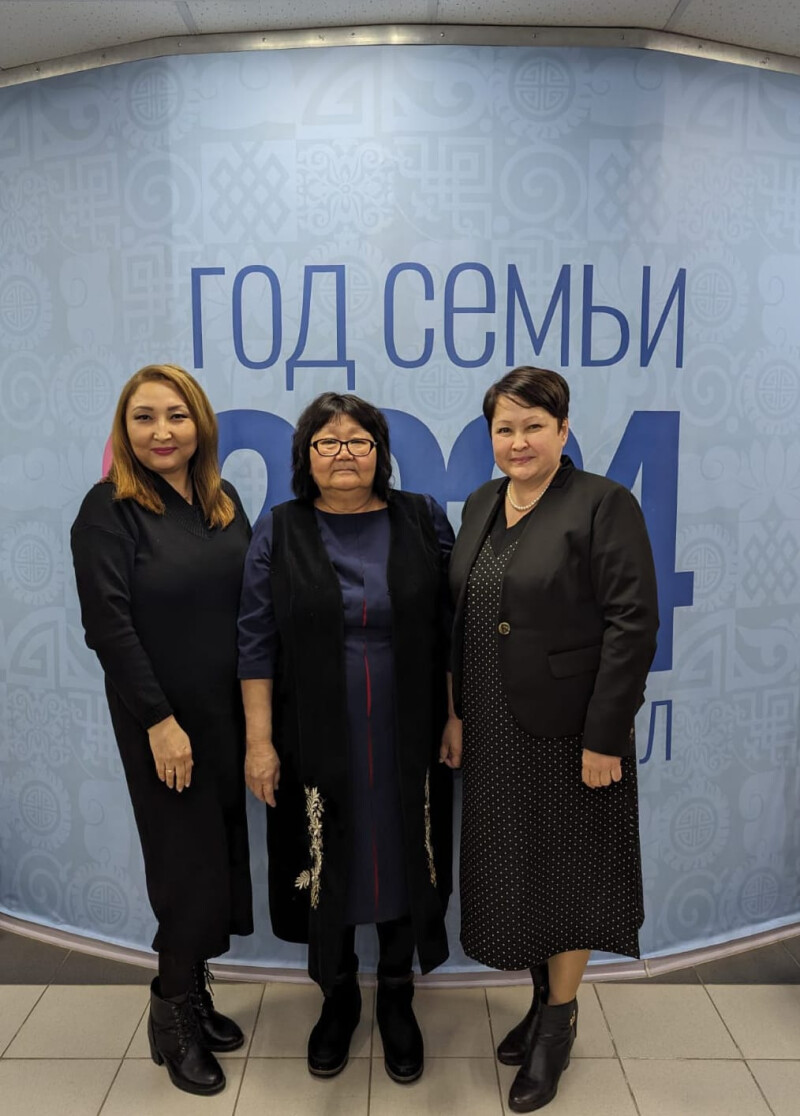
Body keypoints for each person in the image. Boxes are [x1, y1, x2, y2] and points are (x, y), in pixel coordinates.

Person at [442, 366, 659, 1113]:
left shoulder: (603, 503)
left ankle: (559, 1024)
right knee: (518, 869)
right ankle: (539, 1002)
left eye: (534, 426)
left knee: (570, 876)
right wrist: (455, 714)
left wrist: (605, 737)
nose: (518, 441)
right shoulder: (481, 503)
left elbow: (634, 624)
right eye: (504, 428)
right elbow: (461, 622)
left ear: (563, 430)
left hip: (571, 735)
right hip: (494, 730)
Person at [237, 391, 456, 1084]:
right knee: (325, 853)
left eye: (359, 441)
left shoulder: (422, 518)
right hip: (313, 732)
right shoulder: (280, 529)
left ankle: (396, 994)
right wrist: (259, 743)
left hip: (409, 727)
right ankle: (336, 997)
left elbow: (453, 628)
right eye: (327, 442)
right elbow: (255, 643)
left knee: (402, 849)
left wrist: (456, 716)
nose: (344, 454)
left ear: (379, 453)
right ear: (305, 456)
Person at [71, 364, 253, 1098]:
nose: (162, 431)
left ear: (199, 424)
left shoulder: (221, 501)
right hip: (162, 722)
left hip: (225, 714)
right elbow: (107, 627)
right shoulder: (107, 510)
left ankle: (197, 994)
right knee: (184, 869)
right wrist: (159, 721)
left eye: (176, 415)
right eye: (144, 417)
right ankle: (170, 1014)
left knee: (217, 858)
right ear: (124, 429)